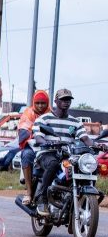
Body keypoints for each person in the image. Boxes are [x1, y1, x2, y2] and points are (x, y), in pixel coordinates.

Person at [32, 88, 93, 216]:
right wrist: (45, 142)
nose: (66, 102)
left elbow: (85, 138)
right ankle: (41, 197)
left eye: (68, 100)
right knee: (53, 163)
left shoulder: (75, 122)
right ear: (56, 101)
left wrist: (98, 145)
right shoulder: (44, 119)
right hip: (47, 153)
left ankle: (79, 198)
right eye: (63, 99)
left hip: (67, 156)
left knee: (88, 168)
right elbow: (38, 136)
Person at [16, 89, 50, 205]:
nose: (40, 106)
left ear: (48, 103)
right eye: (38, 103)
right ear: (33, 103)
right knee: (26, 155)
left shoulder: (52, 114)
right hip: (33, 147)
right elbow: (23, 131)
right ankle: (29, 192)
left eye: (43, 103)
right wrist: (34, 135)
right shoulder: (28, 113)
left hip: (49, 147)